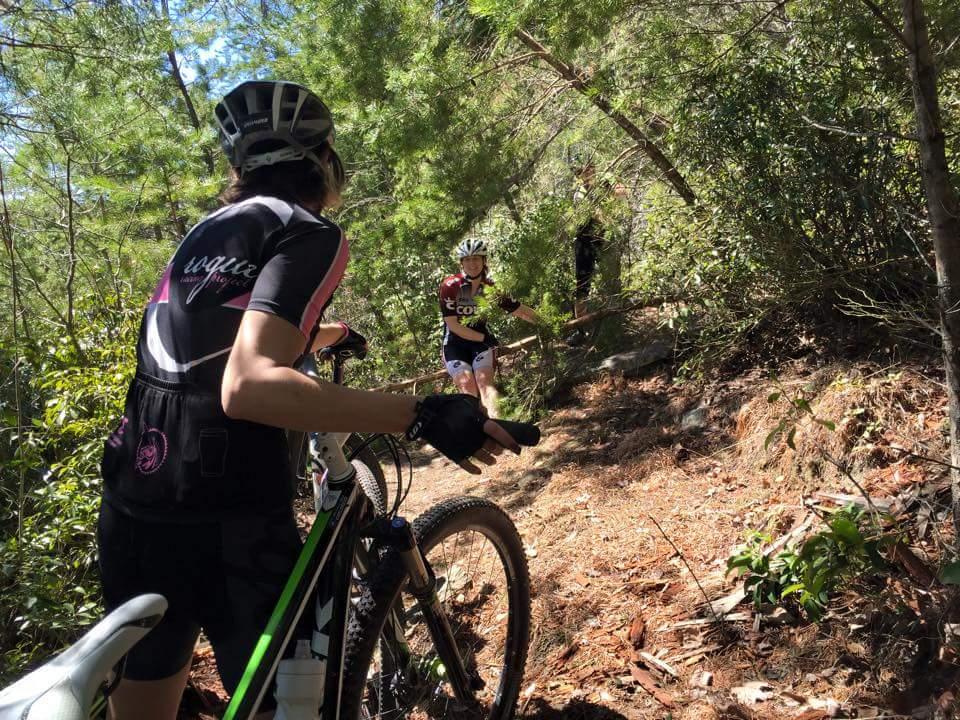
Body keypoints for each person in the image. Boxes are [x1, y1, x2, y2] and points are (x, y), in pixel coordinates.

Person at [97, 80, 534, 720]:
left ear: (239, 170)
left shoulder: (207, 231)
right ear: (324, 162)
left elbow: (213, 342)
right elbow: (247, 383)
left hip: (133, 493)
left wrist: (326, 334)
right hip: (231, 508)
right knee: (295, 708)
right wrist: (420, 414)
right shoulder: (308, 232)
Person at [439, 238, 538, 417]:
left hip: (481, 342)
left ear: (484, 260)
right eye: (467, 259)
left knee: (485, 385)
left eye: (476, 258)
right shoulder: (451, 285)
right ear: (461, 263)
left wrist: (546, 323)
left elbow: (518, 310)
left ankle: (499, 426)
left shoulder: (490, 286)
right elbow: (453, 325)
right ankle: (476, 430)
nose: (472, 264)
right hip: (455, 343)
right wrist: (484, 338)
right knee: (467, 388)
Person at [566, 156, 628, 347]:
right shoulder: (580, 194)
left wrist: (616, 187)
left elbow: (622, 195)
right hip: (585, 243)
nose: (588, 173)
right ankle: (580, 330)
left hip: (604, 241)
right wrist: (612, 224)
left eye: (590, 169)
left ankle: (616, 323)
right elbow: (596, 214)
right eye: (584, 171)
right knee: (582, 286)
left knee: (612, 280)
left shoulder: (604, 185)